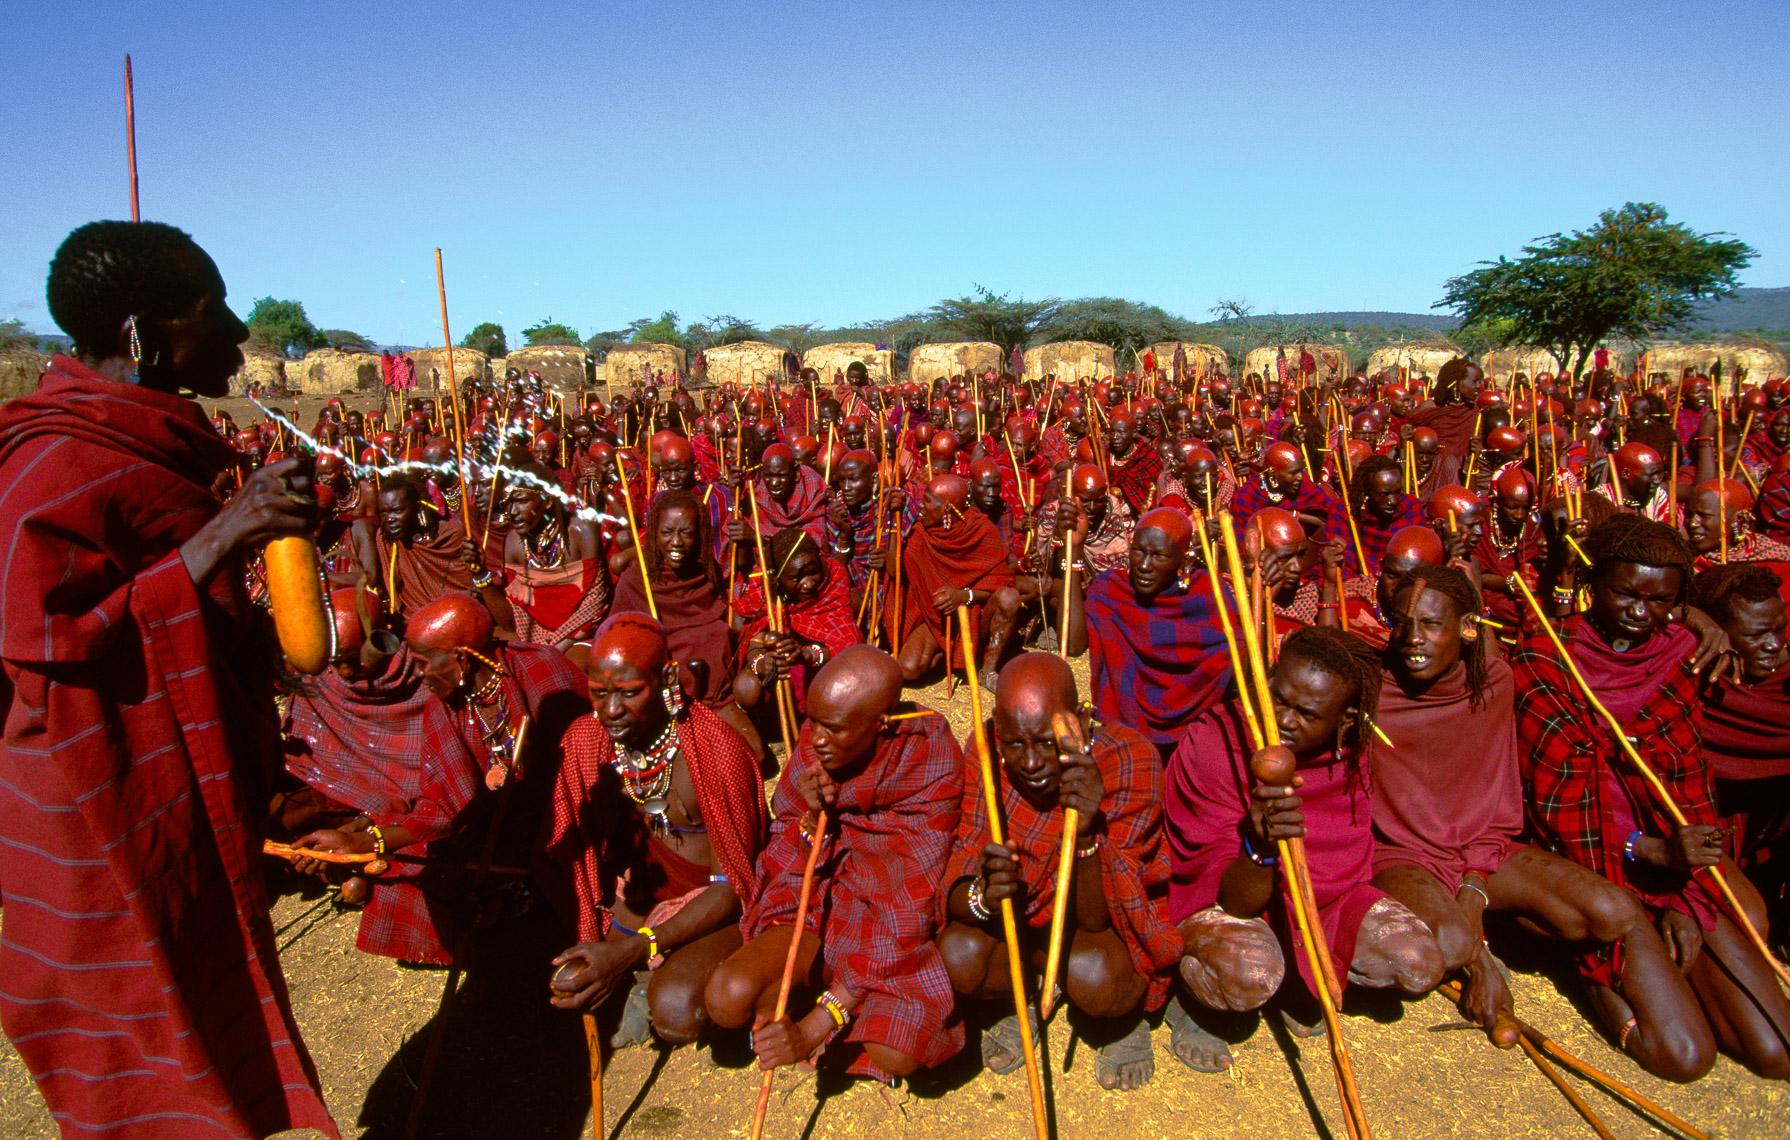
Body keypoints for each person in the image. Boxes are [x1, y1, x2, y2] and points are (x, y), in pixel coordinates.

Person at [0, 220, 337, 1137]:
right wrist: (220, 537)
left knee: (209, 1014)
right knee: (144, 1064)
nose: (234, 330)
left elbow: (187, 591)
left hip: (176, 776)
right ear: (146, 335)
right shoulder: (56, 459)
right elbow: (48, 637)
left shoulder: (150, 443)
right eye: (210, 312)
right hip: (95, 797)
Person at [1512, 515, 1790, 1080]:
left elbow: (1694, 790)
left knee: (1777, 1051)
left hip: (1679, 865)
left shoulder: (1683, 653)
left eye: (1661, 600)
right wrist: (1647, 851)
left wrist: (1688, 893)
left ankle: (1669, 942)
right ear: (1594, 584)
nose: (1642, 613)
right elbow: (1556, 802)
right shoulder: (1546, 655)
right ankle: (1586, 965)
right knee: (1684, 1057)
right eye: (1626, 593)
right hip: (1598, 861)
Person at [1368, 565, 1648, 1035]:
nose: (1412, 638)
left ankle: (1497, 927)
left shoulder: (1492, 684)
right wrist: (1480, 964)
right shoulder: (1374, 688)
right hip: (1401, 853)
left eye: (1432, 624)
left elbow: (1497, 803)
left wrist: (1473, 892)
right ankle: (1477, 945)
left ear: (1469, 629)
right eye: (1402, 623)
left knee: (1613, 912)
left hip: (1480, 849)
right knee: (1453, 944)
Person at [705, 647, 967, 1082]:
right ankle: (834, 990)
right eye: (814, 722)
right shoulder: (821, 743)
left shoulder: (930, 759)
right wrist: (812, 822)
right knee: (726, 998)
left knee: (897, 1052)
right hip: (820, 904)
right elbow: (785, 838)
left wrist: (816, 1025)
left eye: (833, 728)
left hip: (883, 920)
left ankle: (836, 999)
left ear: (880, 726)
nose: (816, 740)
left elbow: (907, 910)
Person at [1168, 628, 1446, 1030]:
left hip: (1325, 903)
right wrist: (1260, 844)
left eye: (1308, 714)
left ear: (1345, 720)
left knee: (1419, 963)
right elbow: (1231, 901)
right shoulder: (1216, 741)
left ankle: (1300, 971)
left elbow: (1346, 866)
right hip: (1233, 904)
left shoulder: (1353, 756)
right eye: (1280, 699)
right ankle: (1196, 1001)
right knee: (1252, 973)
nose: (1285, 719)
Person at [936, 654, 1183, 1090]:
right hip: (1025, 926)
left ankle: (1123, 1023)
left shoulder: (1130, 760)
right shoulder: (987, 748)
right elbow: (960, 870)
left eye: (1047, 741)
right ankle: (1030, 993)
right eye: (1015, 743)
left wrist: (1087, 832)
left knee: (1094, 976)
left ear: (1082, 722)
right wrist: (985, 897)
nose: (1030, 763)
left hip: (1095, 936)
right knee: (957, 955)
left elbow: (1103, 917)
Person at [545, 615, 767, 1048]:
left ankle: (649, 976)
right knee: (567, 980)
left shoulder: (715, 751)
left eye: (629, 694)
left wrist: (631, 951)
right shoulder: (587, 741)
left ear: (666, 678)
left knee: (676, 1011)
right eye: (599, 693)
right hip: (636, 899)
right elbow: (571, 854)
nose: (610, 710)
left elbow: (733, 886)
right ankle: (639, 967)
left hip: (709, 905)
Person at [1075, 507, 1233, 761]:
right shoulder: (1111, 588)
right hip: (1124, 729)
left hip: (1194, 737)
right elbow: (1073, 646)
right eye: (1138, 552)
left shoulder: (1207, 592)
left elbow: (1238, 651)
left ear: (1184, 560)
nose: (1144, 566)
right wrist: (1073, 551)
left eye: (1159, 556)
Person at [1692, 563, 1790, 952]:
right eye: (1756, 635)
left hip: (1771, 838)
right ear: (1719, 635)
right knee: (1747, 923)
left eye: (1780, 630)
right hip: (1708, 835)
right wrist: (1688, 613)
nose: (1774, 645)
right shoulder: (1698, 685)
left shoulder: (1784, 683)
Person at [887, 473, 1019, 687]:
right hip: (936, 617)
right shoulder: (921, 532)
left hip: (976, 614)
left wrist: (963, 596)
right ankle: (950, 654)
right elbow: (895, 572)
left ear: (947, 509)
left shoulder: (981, 530)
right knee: (908, 670)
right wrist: (894, 521)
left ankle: (987, 670)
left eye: (928, 501)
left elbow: (1003, 584)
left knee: (1009, 598)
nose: (921, 506)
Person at [733, 528, 864, 719]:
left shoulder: (833, 577)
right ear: (778, 579)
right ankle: (775, 724)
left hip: (825, 675)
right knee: (747, 687)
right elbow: (755, 642)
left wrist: (808, 654)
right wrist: (762, 663)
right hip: (783, 681)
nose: (808, 583)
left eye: (812, 572)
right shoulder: (766, 589)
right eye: (796, 577)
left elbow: (847, 642)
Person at [499, 462, 611, 667]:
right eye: (508, 503)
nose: (513, 511)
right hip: (533, 639)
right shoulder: (512, 544)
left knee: (571, 670)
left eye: (521, 501)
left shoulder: (581, 532)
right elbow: (518, 609)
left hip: (581, 635)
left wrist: (556, 648)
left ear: (547, 501)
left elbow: (596, 601)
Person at [356, 471, 476, 618]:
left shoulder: (450, 534)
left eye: (397, 511)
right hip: (412, 621)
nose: (390, 519)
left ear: (418, 508)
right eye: (384, 512)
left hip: (455, 615)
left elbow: (468, 585)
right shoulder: (385, 539)